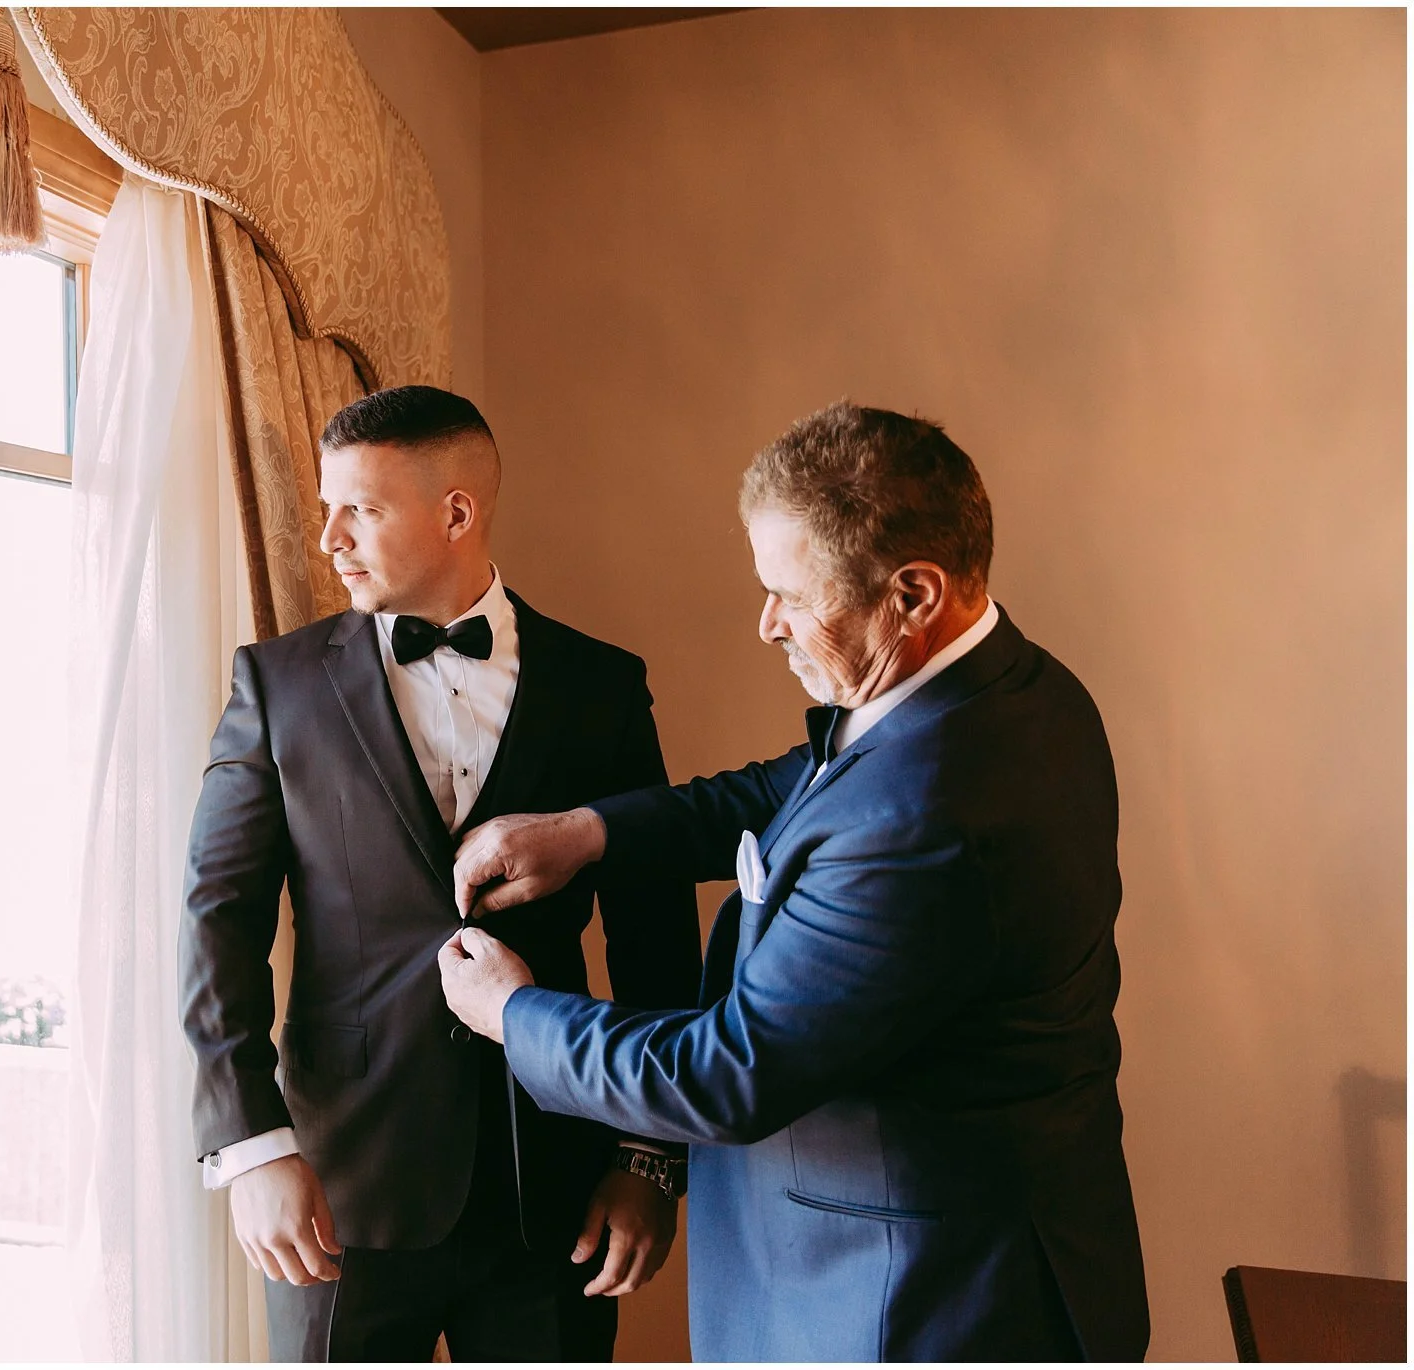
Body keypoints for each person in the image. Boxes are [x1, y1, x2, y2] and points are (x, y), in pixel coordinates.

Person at [438, 401, 1150, 1362]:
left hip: (907, 1303)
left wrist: (512, 1012)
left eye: (791, 595)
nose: (766, 623)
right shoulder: (1008, 686)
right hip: (990, 1238)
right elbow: (802, 782)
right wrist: (591, 833)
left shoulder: (928, 819)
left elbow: (723, 1073)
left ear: (914, 594)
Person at [180, 385, 701, 1362]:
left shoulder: (599, 686)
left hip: (554, 1187)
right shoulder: (277, 685)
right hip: (339, 1193)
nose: (330, 538)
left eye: (361, 509)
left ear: (455, 513)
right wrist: (252, 1146)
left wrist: (649, 1158)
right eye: (327, 508)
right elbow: (218, 920)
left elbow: (654, 927)